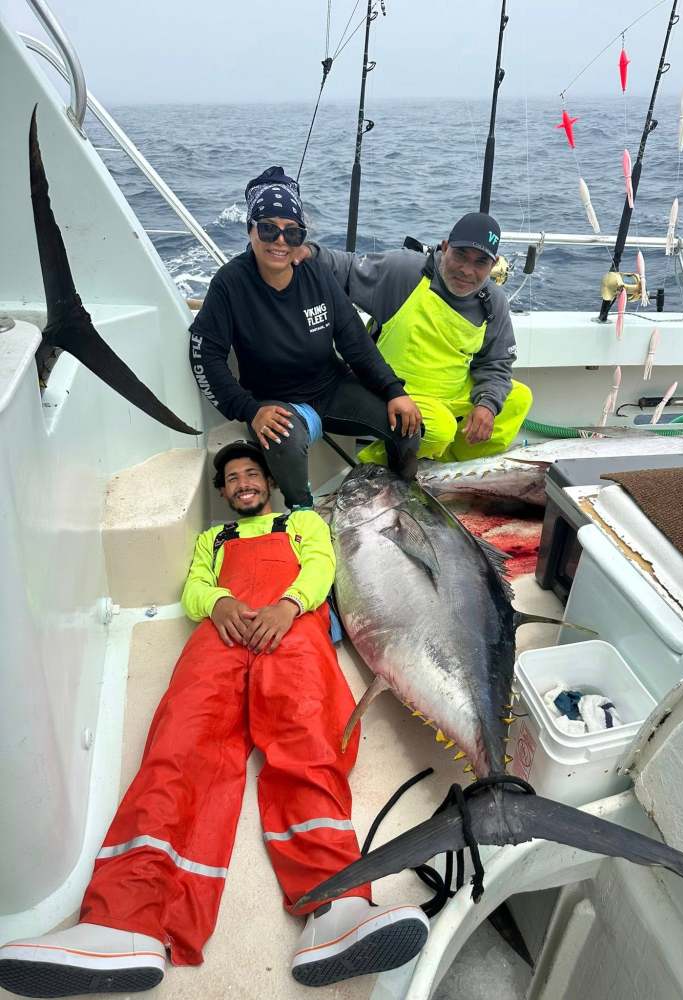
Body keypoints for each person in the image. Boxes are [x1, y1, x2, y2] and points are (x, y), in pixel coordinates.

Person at [0, 442, 429, 996]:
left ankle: (339, 908)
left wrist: (289, 605)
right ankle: (124, 922)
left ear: (269, 484)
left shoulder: (300, 521)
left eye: (252, 473)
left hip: (291, 629)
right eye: (232, 478)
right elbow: (195, 587)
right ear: (223, 492)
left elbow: (322, 566)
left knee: (308, 744)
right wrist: (220, 603)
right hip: (221, 635)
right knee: (179, 746)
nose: (243, 482)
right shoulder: (213, 539)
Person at [188, 167, 422, 509]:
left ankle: (404, 495)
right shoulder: (230, 283)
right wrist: (250, 409)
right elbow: (205, 357)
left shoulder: (316, 273)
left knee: (408, 426)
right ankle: (304, 514)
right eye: (268, 229)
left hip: (331, 388)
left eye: (292, 233)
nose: (280, 241)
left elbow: (355, 342)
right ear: (250, 229)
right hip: (275, 401)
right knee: (282, 440)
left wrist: (394, 391)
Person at [298, 212, 533, 464]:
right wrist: (308, 252)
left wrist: (487, 404)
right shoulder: (405, 272)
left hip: (451, 392)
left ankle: (453, 467)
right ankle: (375, 468)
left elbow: (496, 363)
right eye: (461, 256)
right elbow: (345, 267)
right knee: (441, 429)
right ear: (445, 247)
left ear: (493, 264)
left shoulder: (493, 301)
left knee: (518, 399)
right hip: (394, 390)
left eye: (480, 263)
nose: (467, 270)